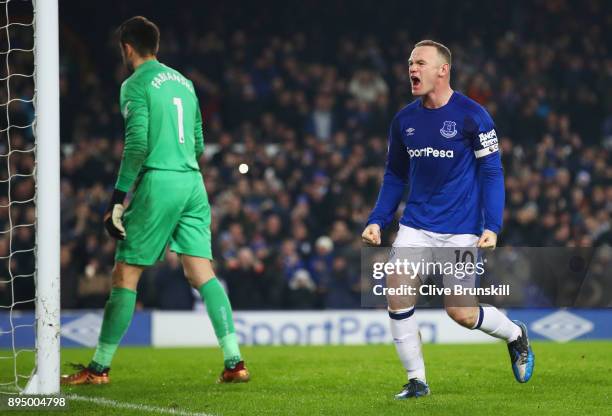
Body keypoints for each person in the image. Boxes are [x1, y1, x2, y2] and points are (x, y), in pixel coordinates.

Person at [61, 16, 249, 385]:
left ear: (127, 48)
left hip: (159, 180)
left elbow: (136, 145)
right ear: (155, 46)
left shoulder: (134, 85)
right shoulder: (185, 82)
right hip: (193, 182)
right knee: (201, 273)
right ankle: (234, 361)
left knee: (125, 274)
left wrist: (118, 198)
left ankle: (99, 368)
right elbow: (197, 142)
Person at [361, 40, 534, 399]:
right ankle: (416, 380)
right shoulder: (404, 120)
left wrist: (492, 225)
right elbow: (394, 176)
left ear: (443, 69)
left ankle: (515, 333)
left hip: (461, 232)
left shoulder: (474, 116)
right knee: (396, 292)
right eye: (410, 62)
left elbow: (492, 172)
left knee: (462, 314)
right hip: (415, 227)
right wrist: (378, 219)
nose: (412, 68)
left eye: (420, 62)